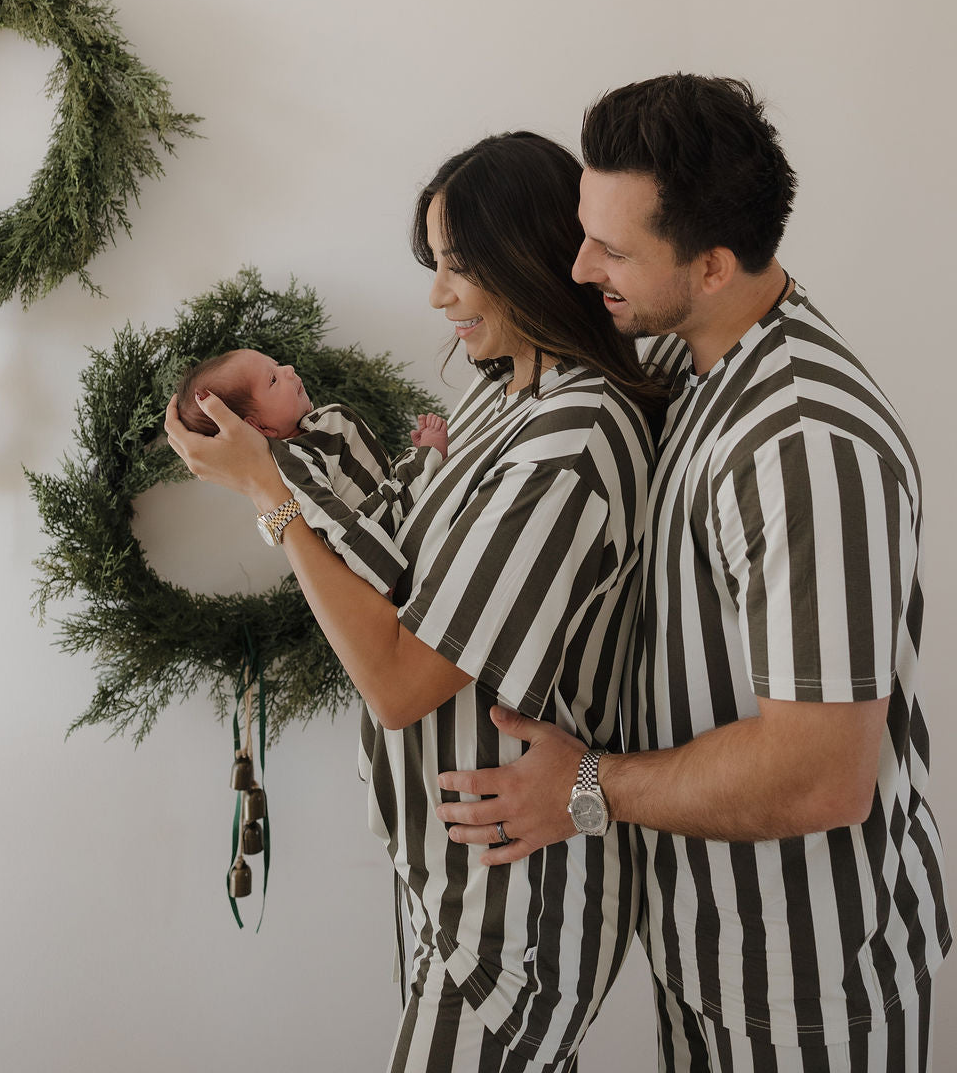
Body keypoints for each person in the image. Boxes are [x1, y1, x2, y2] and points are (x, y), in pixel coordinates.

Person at [435, 77, 951, 1072]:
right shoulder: (683, 354)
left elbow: (819, 775)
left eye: (611, 250)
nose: (579, 267)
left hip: (807, 985)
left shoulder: (806, 445)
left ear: (712, 265)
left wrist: (580, 790)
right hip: (703, 953)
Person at [165, 131, 666, 1073]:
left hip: (512, 910)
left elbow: (398, 684)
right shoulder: (494, 390)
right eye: (433, 265)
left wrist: (270, 496)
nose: (437, 297)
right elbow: (397, 562)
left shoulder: (574, 440)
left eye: (458, 267)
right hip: (443, 878)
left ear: (527, 256)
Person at [176, 350, 448, 553]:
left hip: (395, 507)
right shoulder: (297, 463)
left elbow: (379, 477)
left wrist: (411, 455)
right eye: (272, 379)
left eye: (277, 364)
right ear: (258, 427)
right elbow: (349, 534)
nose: (289, 370)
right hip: (388, 539)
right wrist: (424, 458)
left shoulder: (320, 426)